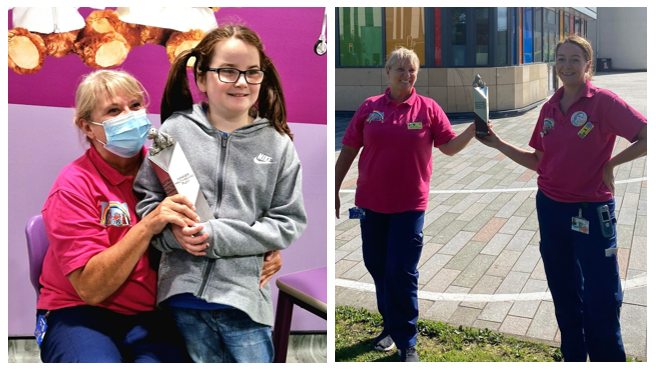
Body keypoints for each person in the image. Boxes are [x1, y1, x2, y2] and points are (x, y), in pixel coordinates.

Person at [35, 70, 283, 363]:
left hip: (153, 312)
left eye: (136, 106)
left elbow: (217, 222)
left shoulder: (169, 164)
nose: (130, 116)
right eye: (114, 110)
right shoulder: (73, 186)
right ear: (87, 126)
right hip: (80, 313)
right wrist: (148, 225)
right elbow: (91, 290)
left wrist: (263, 251)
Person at [133, 24, 307, 363]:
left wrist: (216, 235)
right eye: (227, 71)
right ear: (201, 78)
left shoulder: (279, 144)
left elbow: (287, 221)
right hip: (180, 298)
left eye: (252, 72)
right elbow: (148, 202)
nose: (241, 82)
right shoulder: (172, 132)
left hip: (244, 301)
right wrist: (174, 236)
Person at [476, 35, 647, 362]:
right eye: (561, 59)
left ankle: (607, 359)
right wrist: (498, 143)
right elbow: (538, 161)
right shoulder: (549, 107)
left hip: (592, 210)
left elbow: (646, 136)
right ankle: (573, 355)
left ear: (589, 66)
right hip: (551, 207)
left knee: (601, 295)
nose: (567, 65)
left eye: (575, 59)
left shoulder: (603, 102)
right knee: (564, 288)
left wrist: (612, 163)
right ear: (554, 64)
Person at [334, 47, 476, 362]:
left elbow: (449, 147)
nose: (406, 74)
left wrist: (474, 129)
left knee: (402, 270)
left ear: (416, 74)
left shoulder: (427, 108)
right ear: (387, 73)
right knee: (377, 266)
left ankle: (407, 341)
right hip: (369, 204)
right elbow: (347, 151)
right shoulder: (369, 107)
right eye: (399, 68)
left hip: (410, 205)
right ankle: (389, 326)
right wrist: (334, 189)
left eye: (411, 69)